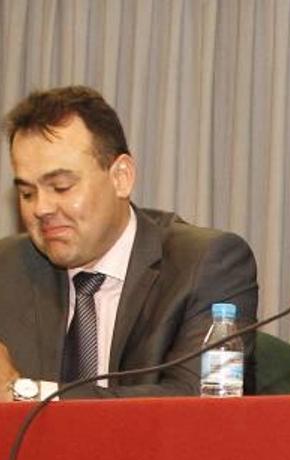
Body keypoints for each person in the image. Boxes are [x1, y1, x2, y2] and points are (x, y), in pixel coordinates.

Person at [0, 86, 259, 400]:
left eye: (61, 186)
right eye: (27, 193)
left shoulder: (207, 263)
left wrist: (24, 395)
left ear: (121, 177)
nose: (41, 208)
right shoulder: (8, 267)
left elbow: (196, 401)